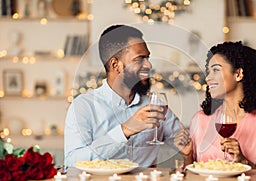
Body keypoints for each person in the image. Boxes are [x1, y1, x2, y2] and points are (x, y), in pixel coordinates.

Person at [64, 24, 181, 168]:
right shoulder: (83, 106)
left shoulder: (155, 105)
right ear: (115, 65)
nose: (149, 65)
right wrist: (125, 130)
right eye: (139, 59)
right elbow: (71, 162)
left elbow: (185, 142)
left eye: (148, 58)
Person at [174, 41, 256, 180]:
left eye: (216, 70)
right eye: (208, 71)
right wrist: (188, 156)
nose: (208, 78)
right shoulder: (200, 120)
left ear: (238, 74)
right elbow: (191, 178)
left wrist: (244, 163)